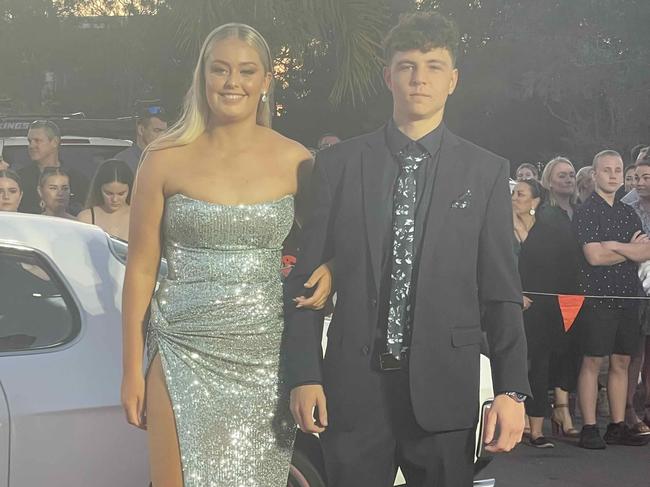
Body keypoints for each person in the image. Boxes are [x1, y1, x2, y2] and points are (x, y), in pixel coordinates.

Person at [284, 12, 529, 487]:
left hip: (445, 390)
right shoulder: (337, 166)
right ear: (388, 76)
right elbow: (304, 280)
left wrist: (512, 391)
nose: (420, 78)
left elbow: (501, 290)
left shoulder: (486, 173)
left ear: (453, 80)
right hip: (353, 389)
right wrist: (303, 374)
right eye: (407, 65)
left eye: (434, 66)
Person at [120, 23, 330, 487]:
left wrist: (331, 269)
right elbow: (140, 270)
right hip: (180, 347)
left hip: (263, 355)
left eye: (245, 71)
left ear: (264, 82)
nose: (232, 82)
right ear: (202, 77)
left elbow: (330, 243)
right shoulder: (163, 157)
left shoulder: (297, 161)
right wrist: (131, 370)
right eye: (220, 70)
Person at [572, 149, 650, 449]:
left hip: (628, 296)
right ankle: (590, 426)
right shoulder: (586, 211)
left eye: (618, 169)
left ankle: (617, 424)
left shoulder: (628, 212)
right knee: (592, 360)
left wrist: (613, 246)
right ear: (595, 174)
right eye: (607, 170)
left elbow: (645, 251)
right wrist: (626, 250)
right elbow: (593, 256)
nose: (614, 175)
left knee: (622, 360)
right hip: (596, 297)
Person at [513, 178, 580, 447]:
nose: (514, 197)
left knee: (540, 363)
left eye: (520, 194)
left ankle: (537, 426)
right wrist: (512, 292)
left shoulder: (547, 231)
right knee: (515, 363)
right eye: (513, 193)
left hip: (540, 305)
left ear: (535, 201)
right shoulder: (498, 226)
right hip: (508, 303)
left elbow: (553, 267)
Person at [621, 156, 650, 435]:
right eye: (637, 178)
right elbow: (630, 249)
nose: (640, 183)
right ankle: (628, 410)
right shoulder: (628, 206)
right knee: (634, 354)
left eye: (646, 178)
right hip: (633, 288)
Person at [17, 120, 89, 215]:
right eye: (29, 141)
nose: (31, 146)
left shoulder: (77, 179)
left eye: (37, 141)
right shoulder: (20, 178)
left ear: (55, 142)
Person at [78, 159, 134, 241]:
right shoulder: (86, 218)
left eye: (121, 194)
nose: (115, 199)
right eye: (109, 193)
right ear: (99, 189)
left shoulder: (140, 217)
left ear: (131, 190)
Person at [113, 106, 169, 174]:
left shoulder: (168, 160)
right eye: (157, 130)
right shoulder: (122, 162)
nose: (163, 136)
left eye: (165, 132)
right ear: (141, 130)